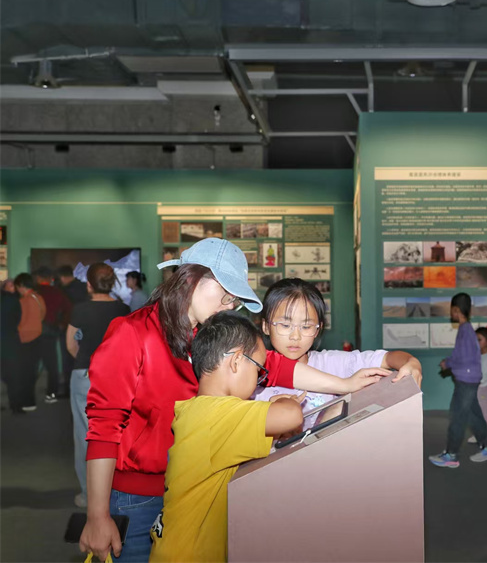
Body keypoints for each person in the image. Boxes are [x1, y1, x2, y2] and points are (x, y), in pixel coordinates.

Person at [80, 239, 386, 563]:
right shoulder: (132, 333)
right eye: (226, 294)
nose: (228, 305)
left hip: (194, 488)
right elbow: (104, 427)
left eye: (234, 300)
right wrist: (97, 515)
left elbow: (272, 365)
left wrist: (344, 384)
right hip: (138, 496)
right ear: (191, 278)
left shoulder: (203, 335)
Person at [149, 311, 304, 563]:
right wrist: (285, 402)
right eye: (259, 371)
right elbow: (291, 415)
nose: (258, 381)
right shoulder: (218, 414)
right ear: (236, 361)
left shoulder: (198, 410)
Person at [253, 278, 423, 422]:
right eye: (285, 325)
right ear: (266, 326)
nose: (295, 336)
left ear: (318, 329)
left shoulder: (332, 362)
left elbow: (388, 358)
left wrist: (411, 362)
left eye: (306, 327)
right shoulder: (252, 372)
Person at [67, 263, 129, 509]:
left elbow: (71, 344)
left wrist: (88, 364)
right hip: (116, 377)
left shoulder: (80, 309)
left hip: (85, 374)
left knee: (85, 435)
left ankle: (88, 494)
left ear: (89, 285)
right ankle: (113, 491)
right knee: (116, 434)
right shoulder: (122, 309)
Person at [429, 293, 487, 468]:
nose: (450, 313)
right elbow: (463, 355)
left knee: (457, 417)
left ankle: (451, 455)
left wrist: (448, 363)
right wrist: (449, 361)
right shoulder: (466, 329)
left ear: (456, 309)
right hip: (469, 379)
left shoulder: (465, 330)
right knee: (474, 415)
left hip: (466, 380)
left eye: (451, 310)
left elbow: (465, 359)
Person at [33, 267, 71, 404]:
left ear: (38, 278)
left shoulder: (33, 292)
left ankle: (26, 396)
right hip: (50, 332)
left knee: (30, 365)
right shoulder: (57, 292)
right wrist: (61, 324)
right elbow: (68, 309)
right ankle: (51, 394)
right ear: (50, 279)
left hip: (32, 333)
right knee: (52, 366)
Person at [13, 273, 46, 412]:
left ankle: (27, 401)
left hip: (25, 339)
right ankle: (30, 401)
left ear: (21, 285)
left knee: (24, 373)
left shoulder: (24, 301)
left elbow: (20, 321)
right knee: (31, 372)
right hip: (37, 337)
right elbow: (42, 315)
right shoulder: (38, 297)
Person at [57, 265, 89, 397]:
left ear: (62, 277)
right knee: (81, 358)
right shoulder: (84, 287)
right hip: (84, 328)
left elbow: (62, 310)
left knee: (68, 360)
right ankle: (83, 387)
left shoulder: (62, 291)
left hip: (68, 328)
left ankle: (68, 389)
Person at [1, 280, 24, 414]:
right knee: (14, 375)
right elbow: (18, 319)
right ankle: (15, 405)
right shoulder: (15, 301)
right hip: (10, 341)